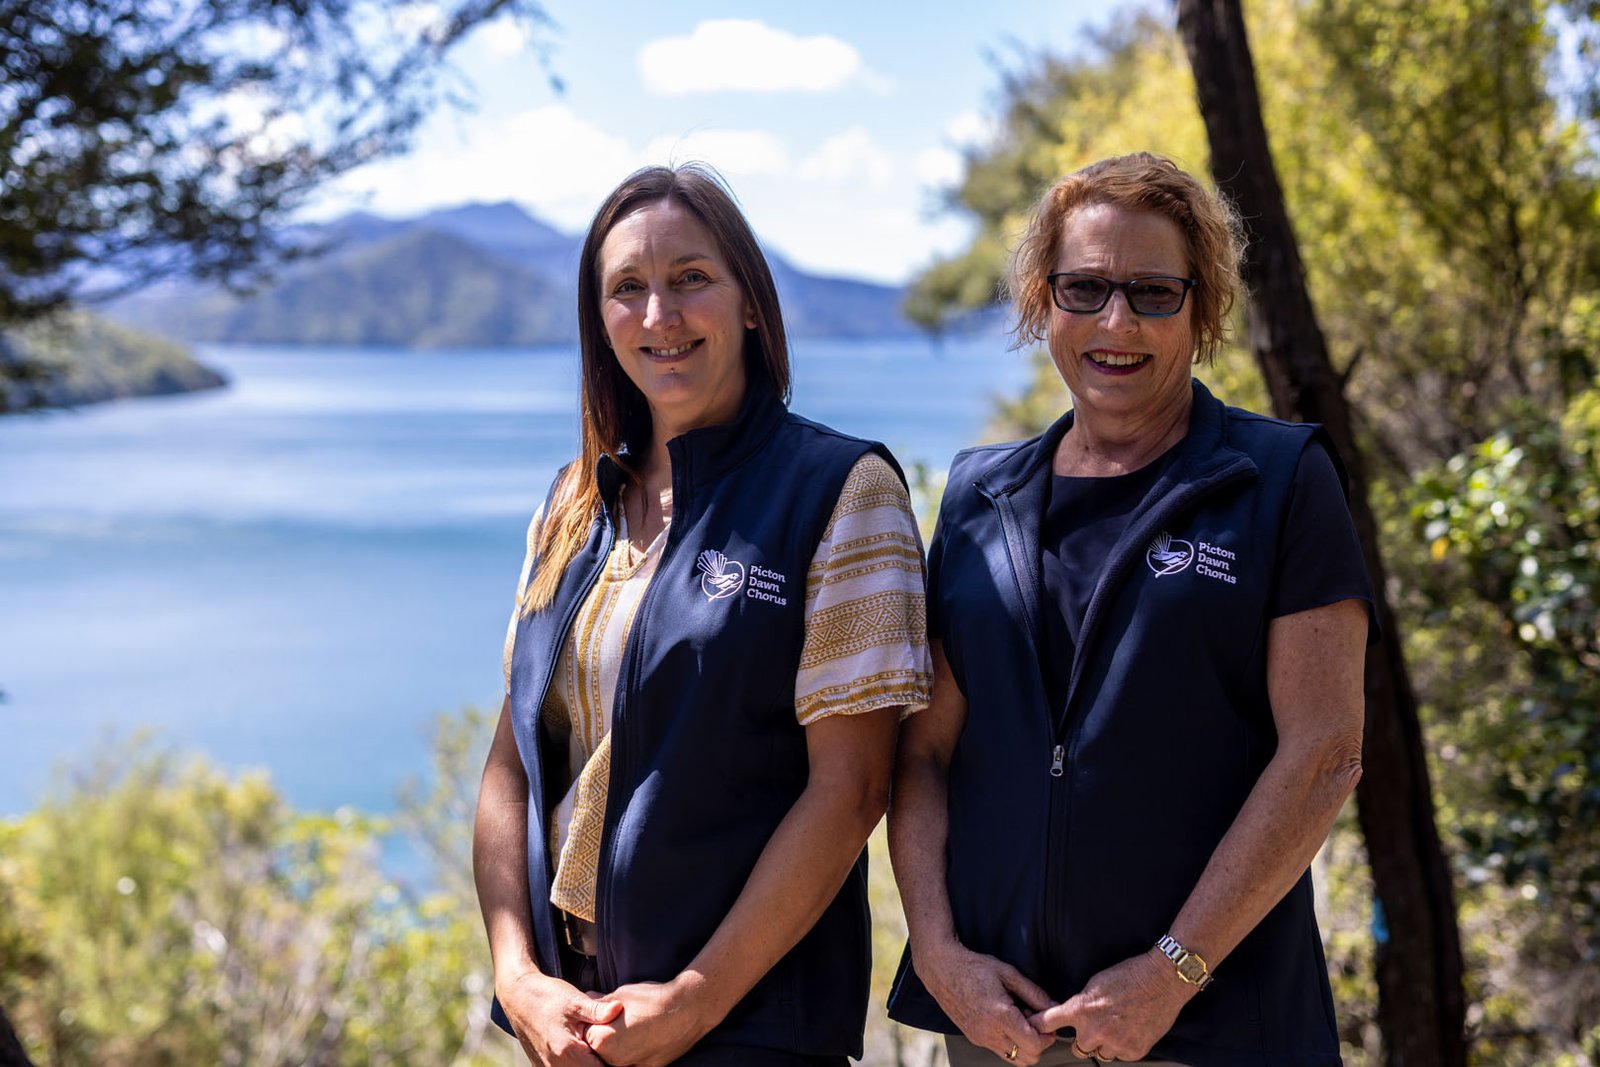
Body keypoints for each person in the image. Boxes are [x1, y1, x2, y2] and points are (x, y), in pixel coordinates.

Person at [886, 152, 1373, 1067]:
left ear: (1202, 306)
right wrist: (942, 956)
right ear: (1044, 301)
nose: (1116, 321)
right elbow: (922, 750)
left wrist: (1171, 970)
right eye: (1085, 288)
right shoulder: (978, 495)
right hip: (1003, 1032)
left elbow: (1324, 754)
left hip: (1212, 1028)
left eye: (1153, 292)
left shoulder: (1278, 480)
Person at [474, 162, 931, 1067]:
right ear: (598, 323)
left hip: (752, 1029)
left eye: (691, 280)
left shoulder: (841, 491)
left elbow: (849, 792)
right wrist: (517, 976)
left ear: (751, 303)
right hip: (572, 1022)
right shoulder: (572, 504)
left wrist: (694, 998)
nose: (659, 317)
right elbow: (510, 767)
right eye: (627, 290)